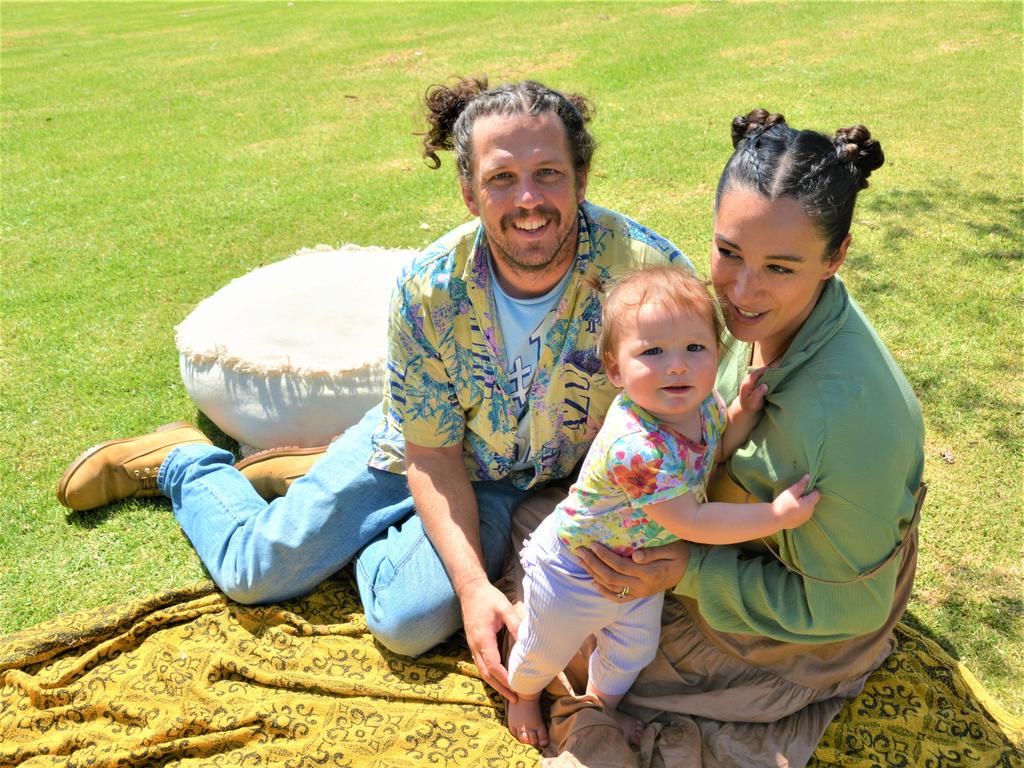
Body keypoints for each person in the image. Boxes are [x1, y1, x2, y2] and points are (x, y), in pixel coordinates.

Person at [55, 77, 691, 702]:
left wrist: (681, 545)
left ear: (581, 177)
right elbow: (434, 455)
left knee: (406, 623)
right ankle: (183, 462)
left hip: (516, 482)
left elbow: (692, 411)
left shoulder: (646, 274)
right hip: (418, 450)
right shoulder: (428, 289)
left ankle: (313, 478)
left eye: (548, 173)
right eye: (501, 177)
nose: (528, 198)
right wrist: (475, 588)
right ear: (470, 193)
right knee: (257, 572)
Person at [507, 109, 926, 766]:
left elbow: (851, 610)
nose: (739, 291)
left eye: (780, 268)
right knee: (538, 526)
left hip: (798, 645)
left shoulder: (844, 418)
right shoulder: (747, 326)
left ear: (835, 257)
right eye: (728, 252)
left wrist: (687, 568)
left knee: (568, 610)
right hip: (717, 546)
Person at [504, 265, 821, 748]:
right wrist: (773, 517)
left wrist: (740, 413)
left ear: (718, 352)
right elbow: (692, 520)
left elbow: (711, 449)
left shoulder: (702, 405)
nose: (677, 365)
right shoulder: (636, 447)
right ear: (614, 369)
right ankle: (521, 692)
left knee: (632, 649)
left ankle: (599, 704)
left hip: (639, 565)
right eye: (652, 351)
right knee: (545, 648)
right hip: (573, 568)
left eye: (695, 348)